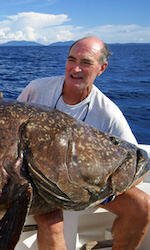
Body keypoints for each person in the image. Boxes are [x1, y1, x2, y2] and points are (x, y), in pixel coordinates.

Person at [17, 36, 150, 250]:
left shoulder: (108, 112)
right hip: (37, 181)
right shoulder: (37, 89)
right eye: (72, 59)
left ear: (101, 68)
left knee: (143, 206)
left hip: (85, 187)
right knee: (52, 226)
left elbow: (137, 161)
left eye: (86, 62)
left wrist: (102, 193)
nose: (76, 68)